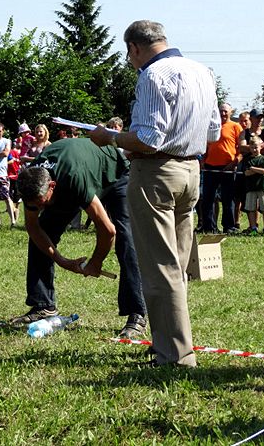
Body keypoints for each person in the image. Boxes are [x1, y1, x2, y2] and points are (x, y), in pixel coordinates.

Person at [89, 20, 220, 367]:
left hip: (157, 173)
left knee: (160, 266)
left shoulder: (153, 76)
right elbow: (213, 132)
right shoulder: (202, 71)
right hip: (191, 172)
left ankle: (174, 355)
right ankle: (170, 342)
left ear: (133, 47)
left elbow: (147, 138)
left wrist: (111, 137)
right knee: (175, 265)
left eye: (128, 54)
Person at [14, 138, 148, 338]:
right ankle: (43, 306)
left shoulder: (74, 177)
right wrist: (62, 261)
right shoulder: (31, 181)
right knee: (41, 235)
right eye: (34, 205)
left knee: (126, 238)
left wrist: (96, 262)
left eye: (41, 203)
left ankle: (137, 312)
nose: (38, 208)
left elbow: (107, 230)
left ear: (52, 186)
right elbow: (33, 227)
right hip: (70, 182)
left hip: (113, 174)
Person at [200, 103, 242, 233]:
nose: (223, 114)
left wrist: (234, 163)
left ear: (231, 112)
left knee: (227, 199)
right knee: (208, 199)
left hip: (227, 167)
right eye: (221, 111)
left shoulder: (236, 127)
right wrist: (203, 161)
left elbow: (241, 149)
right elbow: (206, 145)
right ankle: (209, 227)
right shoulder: (212, 125)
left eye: (225, 111)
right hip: (210, 167)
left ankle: (228, 226)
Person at [235, 109, 264, 231]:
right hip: (247, 166)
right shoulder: (244, 133)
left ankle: (263, 225)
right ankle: (252, 226)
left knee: (263, 199)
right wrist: (260, 145)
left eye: (261, 117)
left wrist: (252, 146)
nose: (260, 120)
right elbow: (241, 147)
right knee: (245, 198)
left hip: (262, 166)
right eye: (257, 117)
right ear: (251, 118)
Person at [242, 137, 264, 236]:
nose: (254, 150)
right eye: (252, 148)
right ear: (249, 148)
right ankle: (253, 227)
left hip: (263, 186)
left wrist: (252, 168)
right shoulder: (247, 159)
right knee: (250, 208)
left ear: (260, 147)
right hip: (250, 187)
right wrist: (258, 170)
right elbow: (246, 173)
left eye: (256, 147)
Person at [7, 139, 22, 224]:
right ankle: (15, 218)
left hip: (11, 177)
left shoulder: (10, 152)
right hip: (16, 176)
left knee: (10, 197)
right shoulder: (18, 153)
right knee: (17, 199)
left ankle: (14, 216)